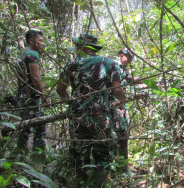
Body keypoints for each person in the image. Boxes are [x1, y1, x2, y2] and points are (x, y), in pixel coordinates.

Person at [56, 33, 127, 186]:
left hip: (77, 116)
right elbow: (117, 90)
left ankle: (80, 183)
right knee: (102, 154)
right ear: (94, 48)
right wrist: (122, 101)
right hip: (101, 116)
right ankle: (98, 185)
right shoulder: (109, 63)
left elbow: (60, 90)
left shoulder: (72, 64)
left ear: (81, 46)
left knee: (79, 154)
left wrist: (73, 104)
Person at [16, 30, 47, 170]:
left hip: (22, 97)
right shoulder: (32, 54)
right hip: (31, 98)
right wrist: (43, 95)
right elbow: (35, 78)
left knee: (24, 129)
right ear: (31, 41)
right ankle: (38, 165)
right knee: (40, 129)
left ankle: (19, 161)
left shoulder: (22, 55)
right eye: (39, 40)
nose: (42, 43)